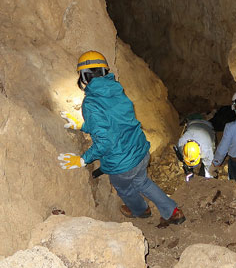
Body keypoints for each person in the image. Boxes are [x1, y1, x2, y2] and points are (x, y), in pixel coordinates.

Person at [57, 50, 185, 227]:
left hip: (122, 164)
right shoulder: (117, 91)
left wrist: (82, 160)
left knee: (124, 187)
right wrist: (82, 125)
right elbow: (116, 122)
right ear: (104, 72)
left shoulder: (91, 103)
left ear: (84, 77)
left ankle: (140, 210)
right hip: (140, 152)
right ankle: (173, 211)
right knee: (143, 182)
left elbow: (105, 142)